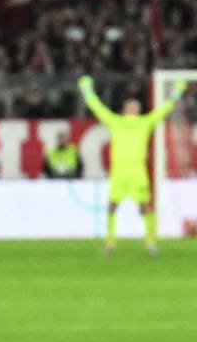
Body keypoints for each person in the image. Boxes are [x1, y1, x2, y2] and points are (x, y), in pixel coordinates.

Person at [78, 75, 185, 255]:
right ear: (124, 109)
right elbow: (97, 108)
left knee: (144, 205)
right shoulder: (116, 122)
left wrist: (176, 92)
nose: (134, 107)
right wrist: (87, 91)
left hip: (137, 170)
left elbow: (164, 110)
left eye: (136, 105)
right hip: (119, 170)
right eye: (131, 105)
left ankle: (150, 242)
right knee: (112, 205)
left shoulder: (145, 122)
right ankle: (110, 243)